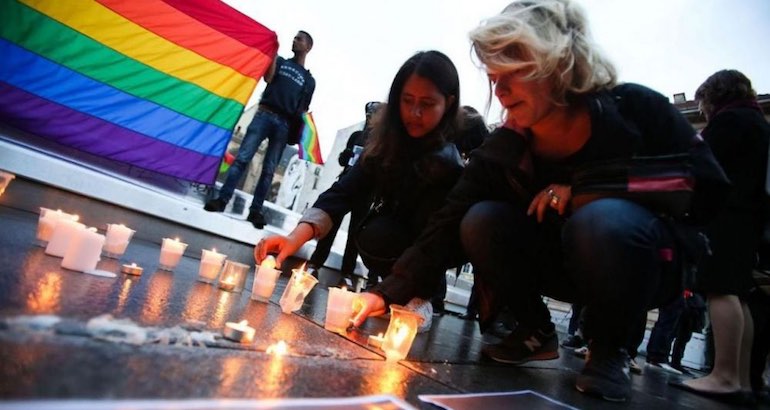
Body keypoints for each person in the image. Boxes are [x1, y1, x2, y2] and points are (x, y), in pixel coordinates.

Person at [350, 0, 728, 402]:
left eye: (513, 71)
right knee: (478, 219)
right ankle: (533, 330)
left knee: (600, 219)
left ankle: (610, 347)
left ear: (559, 63)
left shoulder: (633, 109)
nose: (500, 89)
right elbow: (448, 219)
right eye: (494, 76)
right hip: (559, 263)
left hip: (640, 261)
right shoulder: (507, 145)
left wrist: (587, 189)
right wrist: (386, 292)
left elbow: (708, 184)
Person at [255, 50, 465, 325]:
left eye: (427, 103)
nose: (414, 113)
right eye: (407, 100)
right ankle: (392, 290)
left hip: (430, 248)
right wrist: (294, 238)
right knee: (374, 234)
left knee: (409, 238)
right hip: (393, 238)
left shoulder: (448, 165)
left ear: (448, 104)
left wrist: (385, 295)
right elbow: (343, 192)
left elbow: (434, 243)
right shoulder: (387, 145)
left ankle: (423, 296)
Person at [671, 69, 769, 405]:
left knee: (720, 291)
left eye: (704, 102)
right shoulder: (757, 122)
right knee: (738, 297)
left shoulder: (730, 122)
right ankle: (740, 378)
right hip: (749, 220)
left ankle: (723, 375)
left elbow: (701, 165)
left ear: (716, 94)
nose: (702, 110)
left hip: (726, 218)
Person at [205, 31, 316, 229]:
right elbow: (269, 78)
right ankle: (222, 200)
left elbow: (304, 108)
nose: (294, 40)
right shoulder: (281, 62)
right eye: (294, 37)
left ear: (308, 47)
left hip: (284, 124)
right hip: (264, 114)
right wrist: (272, 53)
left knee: (269, 170)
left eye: (299, 39)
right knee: (242, 159)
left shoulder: (309, 80)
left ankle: (255, 211)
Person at [306, 101, 382, 286]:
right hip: (346, 186)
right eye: (369, 114)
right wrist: (347, 154)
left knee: (354, 235)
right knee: (330, 227)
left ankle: (347, 273)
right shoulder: (356, 136)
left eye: (374, 114)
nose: (371, 118)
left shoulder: (382, 140)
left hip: (366, 192)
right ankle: (315, 263)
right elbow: (342, 160)